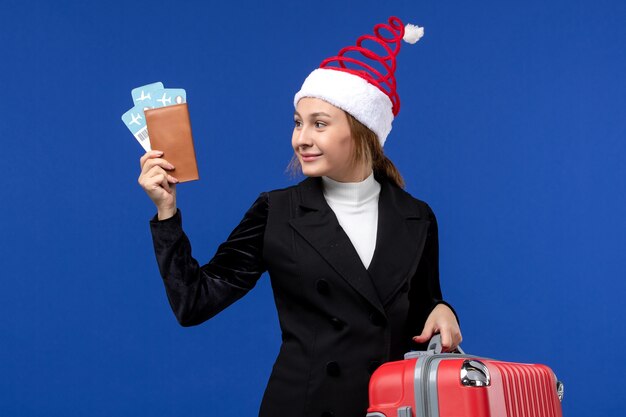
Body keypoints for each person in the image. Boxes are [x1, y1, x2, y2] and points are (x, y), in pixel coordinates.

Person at [138, 16, 461, 417]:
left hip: (391, 407)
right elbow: (194, 302)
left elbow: (422, 305)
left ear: (363, 132)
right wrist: (166, 213)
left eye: (319, 124)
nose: (300, 139)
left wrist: (443, 309)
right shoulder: (277, 211)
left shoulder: (416, 217)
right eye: (298, 123)